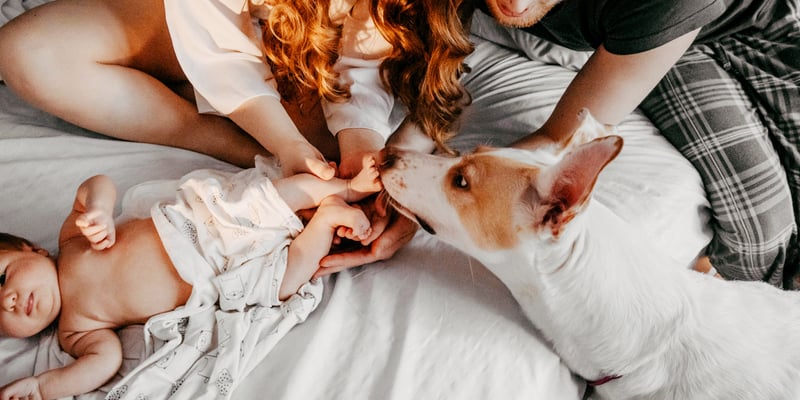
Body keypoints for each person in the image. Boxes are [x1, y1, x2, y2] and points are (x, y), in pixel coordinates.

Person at [0, 0, 477, 272]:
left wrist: (359, 141)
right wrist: (286, 146)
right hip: (204, 17)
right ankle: (212, 131)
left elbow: (366, 52)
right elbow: (206, 28)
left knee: (336, 149)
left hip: (312, 50)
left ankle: (248, 128)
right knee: (25, 53)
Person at [455, 0, 799, 288]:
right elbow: (560, 135)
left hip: (758, 28)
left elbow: (561, 137)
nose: (514, 5)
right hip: (665, 42)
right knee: (760, 241)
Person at [0, 155, 381, 400]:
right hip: (218, 277)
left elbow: (94, 185)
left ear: (31, 248)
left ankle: (344, 188)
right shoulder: (74, 332)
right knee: (281, 284)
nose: (8, 300)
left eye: (2, 279)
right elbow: (104, 360)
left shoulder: (72, 239)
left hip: (201, 224)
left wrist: (98, 209)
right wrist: (42, 386)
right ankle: (328, 219)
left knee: (262, 197)